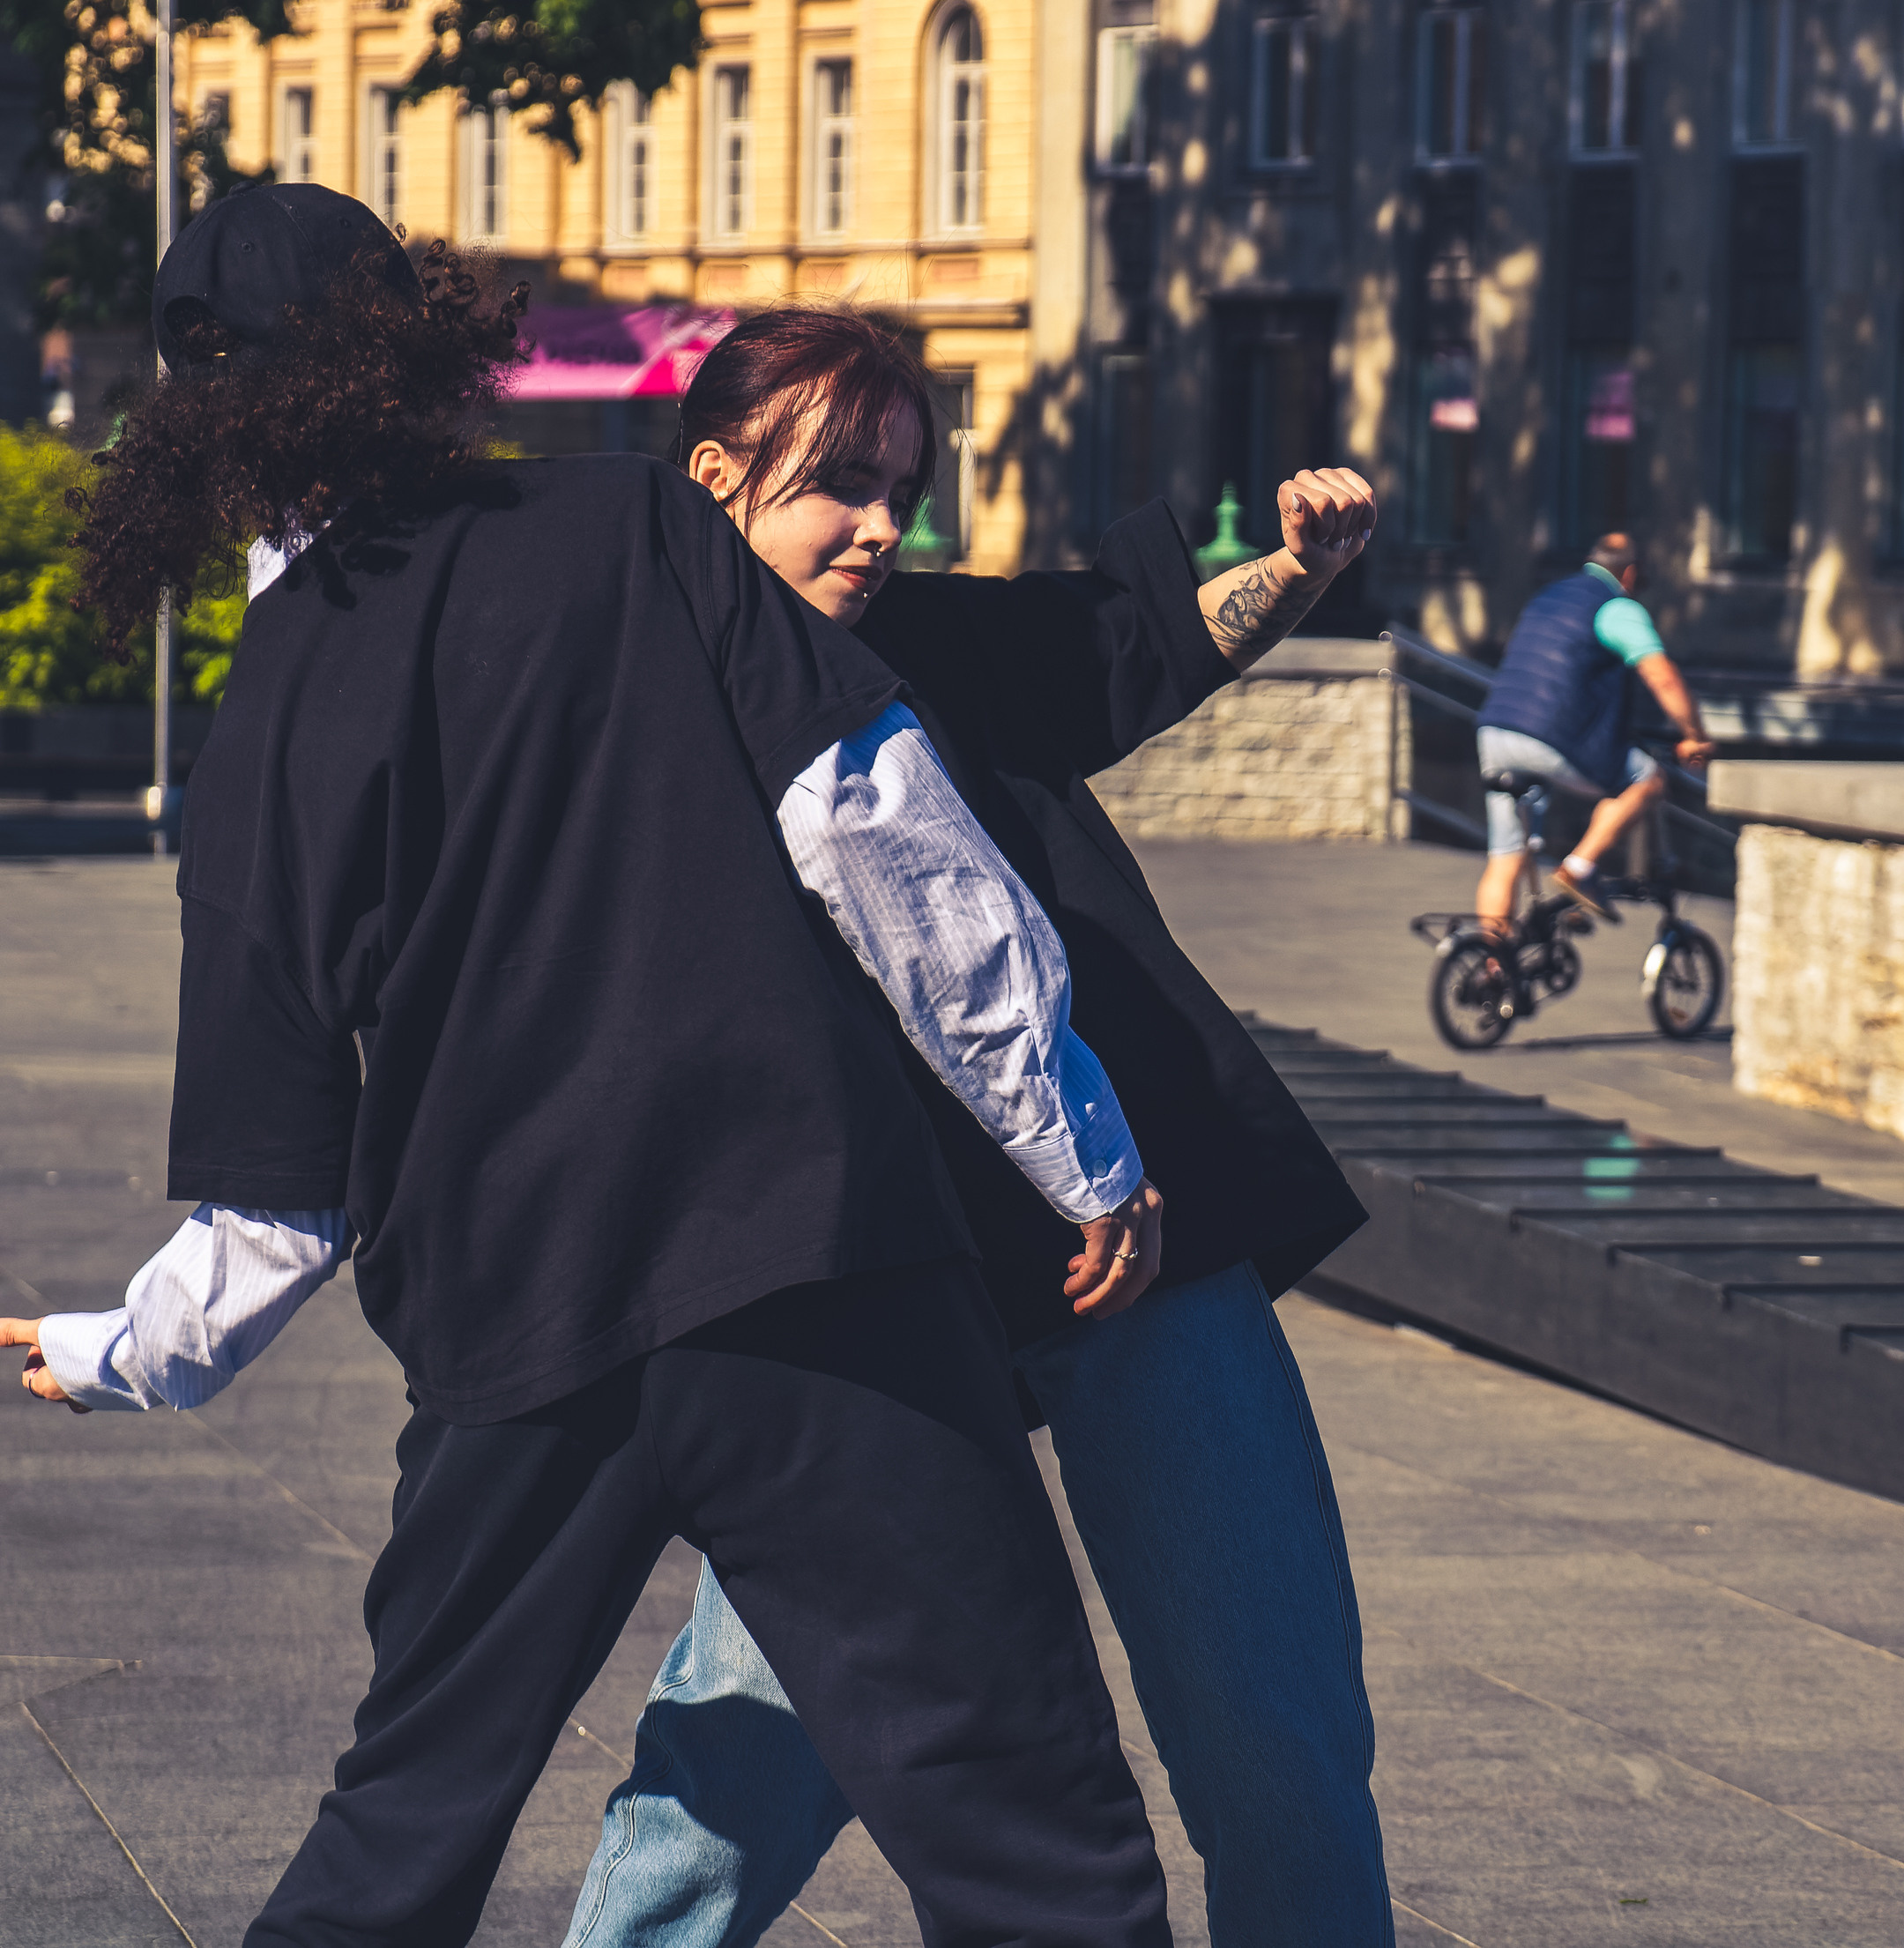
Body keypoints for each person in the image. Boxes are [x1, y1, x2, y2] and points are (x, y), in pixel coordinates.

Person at [1, 186, 1179, 1948]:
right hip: (813, 1269)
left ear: (201, 425)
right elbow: (881, 828)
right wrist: (1076, 1143)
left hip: (513, 1331)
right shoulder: (632, 524)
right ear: (413, 352)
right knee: (1029, 1828)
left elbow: (279, 1194)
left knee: (402, 1825)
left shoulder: (263, 731)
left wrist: (122, 1354)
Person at [557, 307, 1394, 1948]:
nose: (882, 526)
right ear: (717, 475)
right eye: (841, 486)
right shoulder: (619, 710)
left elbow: (1120, 651)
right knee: (742, 1753)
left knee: (1274, 1729)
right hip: (866, 1300)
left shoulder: (921, 641)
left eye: (902, 488)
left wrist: (1296, 567)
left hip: (1144, 1253)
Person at [1475, 532, 1714, 933]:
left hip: (1496, 730)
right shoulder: (1616, 606)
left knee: (1506, 855)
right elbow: (1661, 676)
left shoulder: (1549, 596)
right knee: (1647, 779)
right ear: (1631, 573)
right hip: (1551, 735)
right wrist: (1693, 734)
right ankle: (1579, 868)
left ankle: (1491, 962)